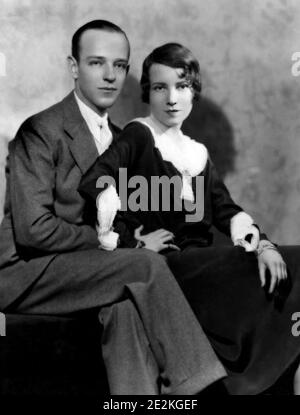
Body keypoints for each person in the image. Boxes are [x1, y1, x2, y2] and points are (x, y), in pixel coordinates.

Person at [0, 22, 228, 395]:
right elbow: (34, 231)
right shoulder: (40, 131)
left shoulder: (126, 139)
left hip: (87, 269)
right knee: (143, 266)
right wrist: (124, 247)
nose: (110, 76)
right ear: (74, 67)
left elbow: (134, 219)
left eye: (120, 66)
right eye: (96, 63)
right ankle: (200, 387)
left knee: (126, 304)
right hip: (24, 271)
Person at [79, 42, 300, 395]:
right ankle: (250, 378)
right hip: (163, 269)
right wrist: (132, 242)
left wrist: (264, 246)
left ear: (193, 92)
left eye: (181, 86)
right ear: (147, 94)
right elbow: (96, 182)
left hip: (200, 269)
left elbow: (226, 209)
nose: (171, 98)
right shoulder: (139, 134)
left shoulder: (198, 152)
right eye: (159, 87)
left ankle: (258, 374)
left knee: (290, 266)